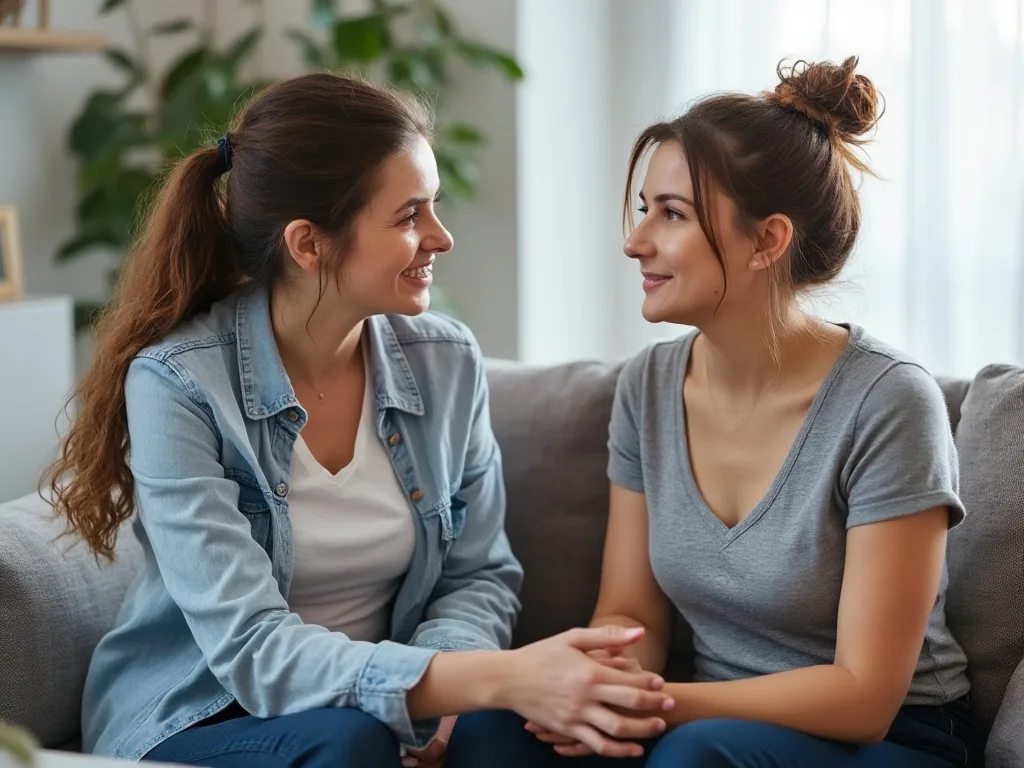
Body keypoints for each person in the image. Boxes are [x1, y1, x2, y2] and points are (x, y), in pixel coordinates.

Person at [43, 73, 675, 768]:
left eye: (433, 206)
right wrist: (472, 683)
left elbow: (479, 576)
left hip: (386, 705)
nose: (441, 237)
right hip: (204, 711)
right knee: (352, 743)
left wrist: (436, 704)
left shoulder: (445, 361)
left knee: (519, 740)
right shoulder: (181, 383)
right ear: (309, 246)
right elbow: (252, 649)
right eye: (409, 217)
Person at [444, 57, 982, 767]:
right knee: (491, 732)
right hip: (707, 723)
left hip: (891, 739)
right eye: (643, 210)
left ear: (768, 241)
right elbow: (630, 614)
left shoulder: (887, 403)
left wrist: (662, 705)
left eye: (672, 215)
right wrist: (602, 689)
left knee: (696, 755)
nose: (637, 242)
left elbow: (865, 695)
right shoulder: (649, 387)